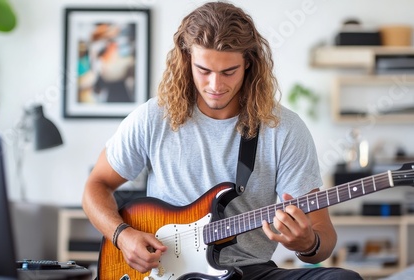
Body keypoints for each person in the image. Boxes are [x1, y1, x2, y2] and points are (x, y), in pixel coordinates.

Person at [82, 2, 362, 279]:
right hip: (166, 272)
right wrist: (122, 235)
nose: (215, 86)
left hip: (249, 271)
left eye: (229, 72)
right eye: (204, 70)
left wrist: (308, 243)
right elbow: (96, 187)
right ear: (186, 60)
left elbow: (323, 234)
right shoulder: (152, 118)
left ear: (249, 64)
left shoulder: (284, 129)